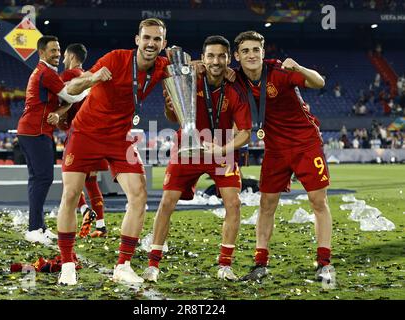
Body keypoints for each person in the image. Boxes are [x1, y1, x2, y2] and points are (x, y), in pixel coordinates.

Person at [56, 18, 169, 285]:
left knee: (139, 195)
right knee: (71, 194)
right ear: (137, 39)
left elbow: (193, 70)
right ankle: (67, 264)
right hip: (86, 133)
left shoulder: (163, 66)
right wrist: (93, 78)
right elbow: (71, 89)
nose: (151, 43)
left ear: (163, 44)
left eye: (157, 39)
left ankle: (123, 265)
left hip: (120, 137)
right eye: (147, 38)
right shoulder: (116, 58)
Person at [142, 35, 252, 283]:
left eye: (221, 56)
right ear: (202, 59)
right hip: (187, 147)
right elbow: (172, 116)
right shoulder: (189, 77)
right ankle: (153, 264)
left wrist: (222, 148)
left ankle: (225, 265)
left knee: (233, 204)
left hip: (220, 149)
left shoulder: (235, 88)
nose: (216, 61)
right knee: (167, 202)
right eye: (210, 56)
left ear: (228, 59)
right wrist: (171, 106)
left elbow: (245, 132)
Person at [232, 31, 333, 282]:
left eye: (256, 50)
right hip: (275, 149)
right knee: (266, 205)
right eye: (245, 51)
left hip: (305, 144)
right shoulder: (235, 79)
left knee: (318, 201)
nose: (251, 55)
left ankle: (323, 263)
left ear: (263, 52)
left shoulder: (279, 72)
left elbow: (319, 82)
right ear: (237, 56)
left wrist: (298, 66)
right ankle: (260, 264)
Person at [17, 35, 88, 246]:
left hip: (33, 131)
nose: (57, 54)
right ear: (41, 53)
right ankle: (34, 228)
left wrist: (60, 110)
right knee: (43, 179)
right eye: (53, 51)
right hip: (35, 132)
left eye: (59, 50)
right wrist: (92, 87)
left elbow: (63, 101)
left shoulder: (45, 72)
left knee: (38, 180)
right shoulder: (46, 73)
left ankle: (38, 227)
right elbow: (72, 97)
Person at [58, 43, 108, 239]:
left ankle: (84, 209)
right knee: (91, 180)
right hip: (96, 134)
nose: (62, 60)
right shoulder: (91, 76)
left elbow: (62, 105)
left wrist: (59, 119)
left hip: (77, 135)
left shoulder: (68, 77)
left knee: (70, 179)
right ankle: (101, 226)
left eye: (63, 56)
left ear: (70, 56)